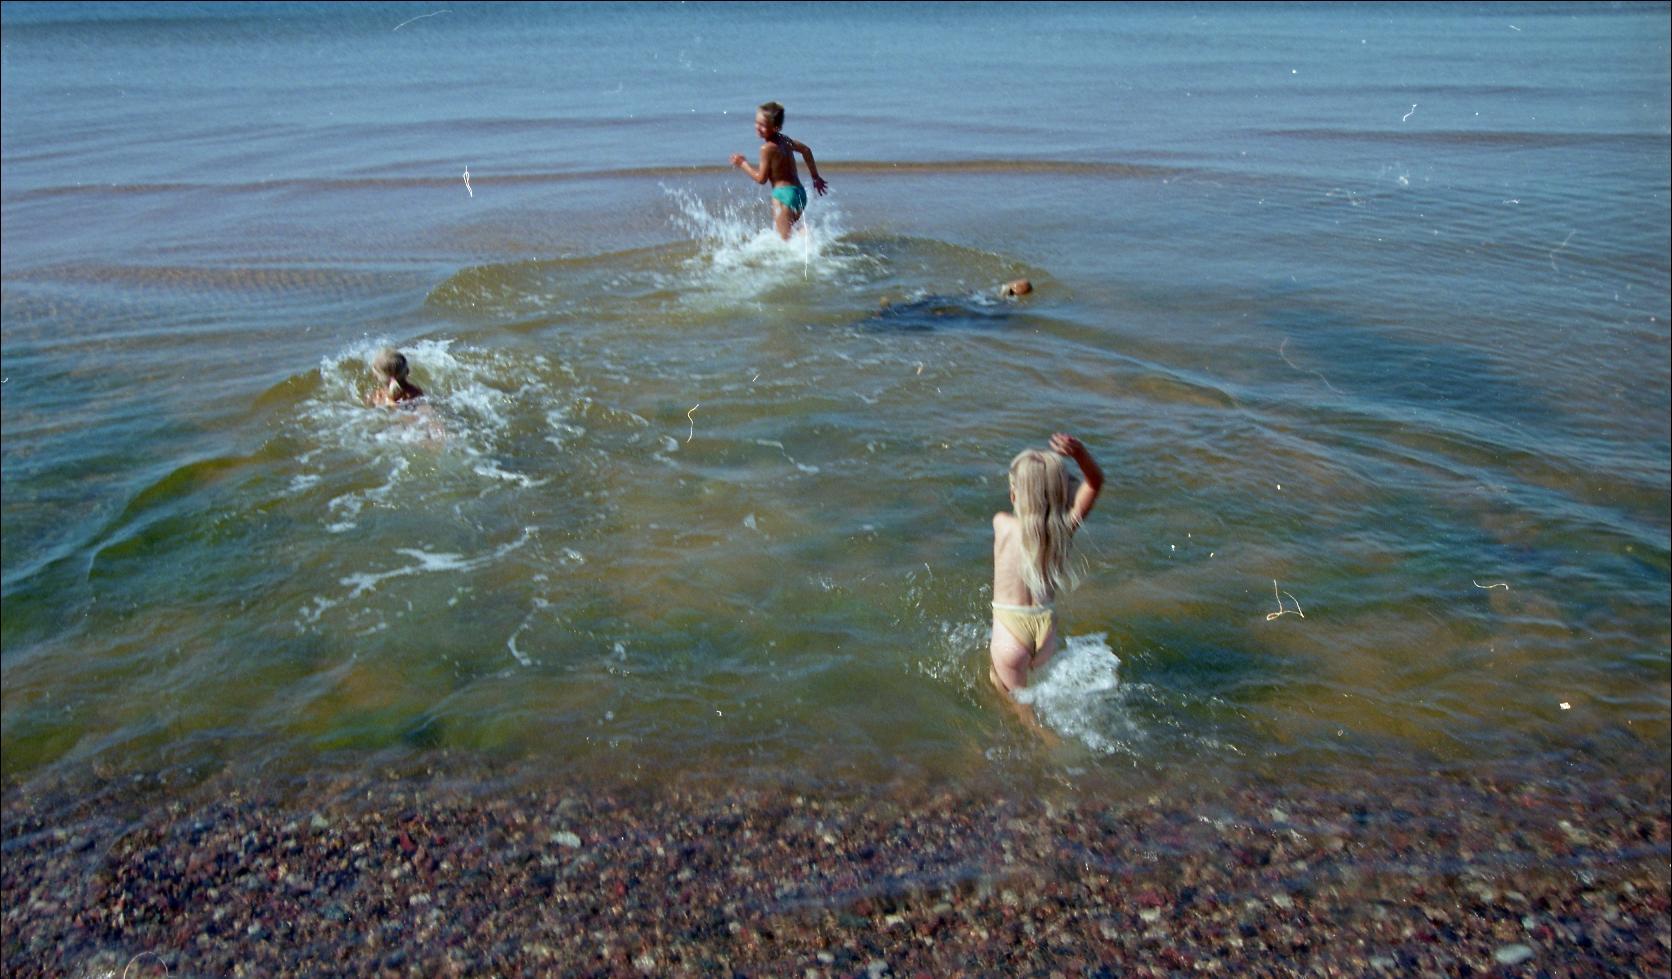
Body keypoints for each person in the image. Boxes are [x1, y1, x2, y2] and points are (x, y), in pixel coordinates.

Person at [989, 433, 1103, 697]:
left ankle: (1035, 726)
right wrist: (1079, 454)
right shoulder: (1064, 530)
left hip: (1010, 632)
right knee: (1033, 694)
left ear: (1014, 496)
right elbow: (1094, 483)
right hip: (1046, 632)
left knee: (1012, 700)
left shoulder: (1001, 523)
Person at [729, 101, 828, 241]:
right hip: (799, 193)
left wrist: (742, 164)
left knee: (784, 241)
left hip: (783, 195)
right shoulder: (785, 140)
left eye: (763, 125)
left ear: (776, 127)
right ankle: (808, 235)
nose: (758, 127)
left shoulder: (766, 149)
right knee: (792, 235)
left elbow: (761, 179)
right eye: (757, 123)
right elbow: (806, 150)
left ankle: (810, 235)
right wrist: (815, 177)